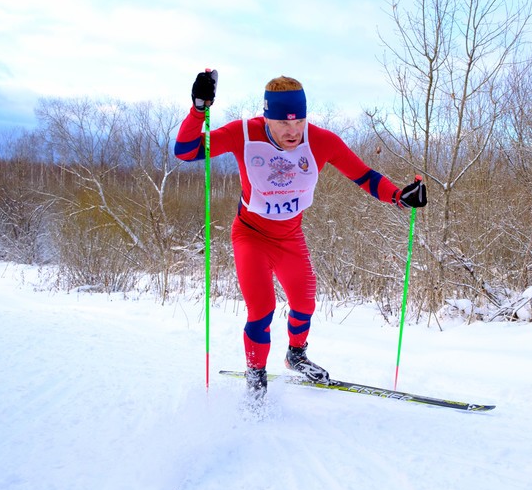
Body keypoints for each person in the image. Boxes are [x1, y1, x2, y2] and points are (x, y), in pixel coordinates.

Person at [174, 70, 427, 399]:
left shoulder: (322, 141)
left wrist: (399, 196)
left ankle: (296, 355)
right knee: (262, 308)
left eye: (299, 121)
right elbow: (186, 151)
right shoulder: (244, 134)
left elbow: (364, 176)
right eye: (283, 123)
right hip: (251, 235)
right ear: (267, 117)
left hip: (290, 238)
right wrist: (198, 109)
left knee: (305, 302)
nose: (293, 131)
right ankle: (256, 376)